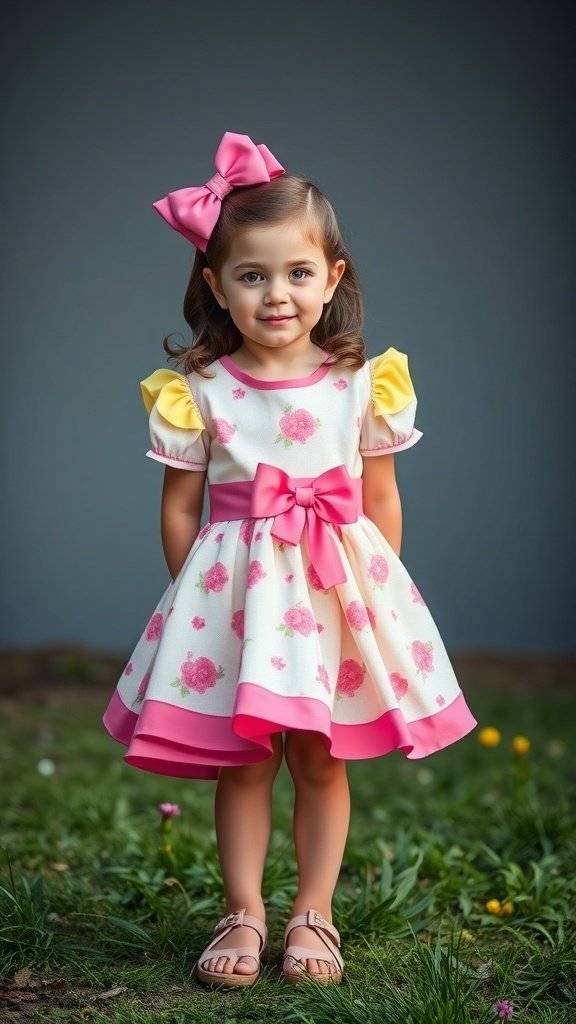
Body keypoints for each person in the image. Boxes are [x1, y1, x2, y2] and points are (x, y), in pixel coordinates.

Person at [102, 130, 477, 989]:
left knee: (319, 758)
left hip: (336, 598)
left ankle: (315, 910)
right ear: (216, 285)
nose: (277, 294)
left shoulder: (362, 384)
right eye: (252, 275)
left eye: (298, 272)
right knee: (242, 761)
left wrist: (373, 602)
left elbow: (379, 499)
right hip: (235, 603)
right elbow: (182, 509)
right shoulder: (201, 390)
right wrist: (197, 604)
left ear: (332, 278)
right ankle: (243, 910)